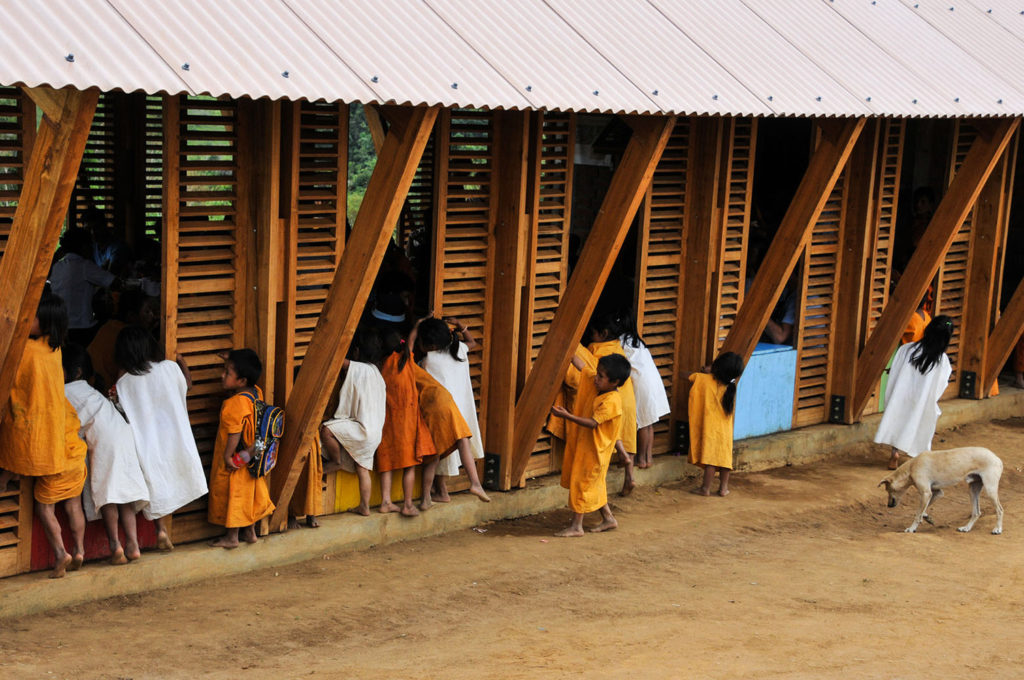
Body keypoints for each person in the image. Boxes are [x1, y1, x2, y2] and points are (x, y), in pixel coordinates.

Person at [0, 294, 88, 578]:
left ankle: (60, 553)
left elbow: (16, 385)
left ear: (46, 322)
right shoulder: (55, 349)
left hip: (41, 439)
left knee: (42, 504)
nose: (28, 320)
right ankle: (80, 550)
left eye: (33, 317)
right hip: (67, 448)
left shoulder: (27, 350)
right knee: (73, 504)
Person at [114, 326, 208, 550]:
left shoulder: (124, 382)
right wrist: (181, 360)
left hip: (147, 444)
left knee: (155, 484)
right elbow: (188, 384)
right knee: (168, 479)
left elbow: (121, 410)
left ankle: (160, 530)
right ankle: (162, 531)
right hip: (174, 438)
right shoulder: (169, 368)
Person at [63, 344, 149, 565]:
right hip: (123, 435)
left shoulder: (65, 392)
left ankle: (115, 545)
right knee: (126, 494)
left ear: (75, 371)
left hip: (104, 442)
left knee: (108, 495)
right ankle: (133, 544)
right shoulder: (90, 390)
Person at [549, 353, 631, 537]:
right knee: (595, 485)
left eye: (601, 376)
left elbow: (594, 423)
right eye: (598, 374)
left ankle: (577, 526)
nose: (596, 378)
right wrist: (568, 352)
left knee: (582, 484)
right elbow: (583, 368)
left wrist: (566, 416)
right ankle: (609, 518)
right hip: (587, 447)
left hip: (596, 451)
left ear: (614, 382)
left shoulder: (611, 402)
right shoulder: (599, 386)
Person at [414, 317, 491, 504]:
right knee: (452, 449)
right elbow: (472, 342)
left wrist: (416, 327)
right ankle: (462, 486)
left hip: (440, 412)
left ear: (427, 344)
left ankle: (434, 494)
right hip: (461, 409)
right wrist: (460, 326)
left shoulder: (427, 361)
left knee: (436, 454)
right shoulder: (460, 350)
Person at [208, 349, 275, 549]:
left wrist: (228, 457)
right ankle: (250, 532)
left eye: (227, 373)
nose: (222, 375)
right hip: (253, 453)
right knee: (249, 495)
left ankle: (232, 537)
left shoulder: (233, 404)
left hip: (237, 456)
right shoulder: (256, 393)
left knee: (235, 495)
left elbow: (234, 433)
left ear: (241, 380)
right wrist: (233, 360)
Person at [320, 327, 387, 517]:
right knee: (362, 469)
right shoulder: (377, 373)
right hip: (374, 433)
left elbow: (339, 362)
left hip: (363, 429)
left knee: (326, 430)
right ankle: (364, 507)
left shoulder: (361, 369)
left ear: (358, 351)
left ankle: (335, 461)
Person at [875, 315, 954, 470]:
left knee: (898, 421)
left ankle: (894, 454)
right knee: (920, 425)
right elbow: (940, 384)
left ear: (928, 330)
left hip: (902, 395)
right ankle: (918, 458)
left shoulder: (907, 349)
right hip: (922, 401)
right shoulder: (942, 360)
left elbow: (897, 370)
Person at [375, 323, 436, 517]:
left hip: (387, 421)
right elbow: (411, 340)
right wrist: (418, 324)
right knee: (408, 464)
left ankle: (386, 502)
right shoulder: (406, 359)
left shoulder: (379, 366)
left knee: (387, 461)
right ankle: (408, 504)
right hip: (408, 422)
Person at [585, 313, 638, 496]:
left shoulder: (594, 348)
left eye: (593, 334)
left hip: (610, 399)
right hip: (628, 399)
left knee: (607, 438)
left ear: (603, 333)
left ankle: (599, 490)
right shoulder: (617, 346)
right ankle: (629, 478)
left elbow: (587, 371)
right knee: (626, 438)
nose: (591, 338)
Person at [618, 314, 670, 470]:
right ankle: (648, 457)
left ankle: (640, 459)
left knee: (642, 423)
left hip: (642, 385)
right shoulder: (638, 342)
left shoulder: (621, 342)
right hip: (653, 383)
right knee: (649, 423)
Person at [688, 352, 745, 497]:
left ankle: (705, 488)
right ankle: (723, 488)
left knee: (711, 461)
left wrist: (707, 371)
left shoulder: (705, 380)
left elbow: (689, 376)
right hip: (725, 430)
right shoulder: (731, 386)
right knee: (725, 459)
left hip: (711, 429)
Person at [48, 227, 117, 346]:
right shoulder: (85, 266)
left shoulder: (57, 266)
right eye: (91, 245)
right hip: (82, 328)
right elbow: (114, 283)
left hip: (59, 327)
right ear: (84, 247)